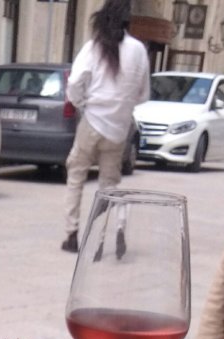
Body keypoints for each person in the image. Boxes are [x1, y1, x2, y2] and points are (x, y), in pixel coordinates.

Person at [61, 0, 150, 253]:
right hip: (119, 130)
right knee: (110, 184)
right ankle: (116, 227)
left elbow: (75, 82)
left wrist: (80, 102)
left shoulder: (94, 47)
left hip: (92, 122)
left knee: (76, 175)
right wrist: (123, 105)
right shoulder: (139, 50)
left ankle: (72, 234)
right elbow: (143, 94)